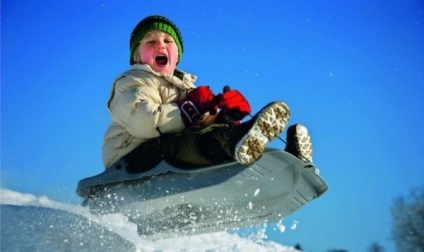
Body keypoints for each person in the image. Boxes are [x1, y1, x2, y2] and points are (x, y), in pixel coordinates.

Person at [102, 15, 313, 172]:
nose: (160, 45)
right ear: (137, 57)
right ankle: (235, 141)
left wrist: (226, 117)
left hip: (170, 156)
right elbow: (145, 121)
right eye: (150, 42)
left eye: (168, 41)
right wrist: (191, 107)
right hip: (132, 156)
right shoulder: (132, 82)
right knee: (198, 141)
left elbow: (197, 125)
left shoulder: (185, 90)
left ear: (177, 57)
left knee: (210, 135)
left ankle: (286, 162)